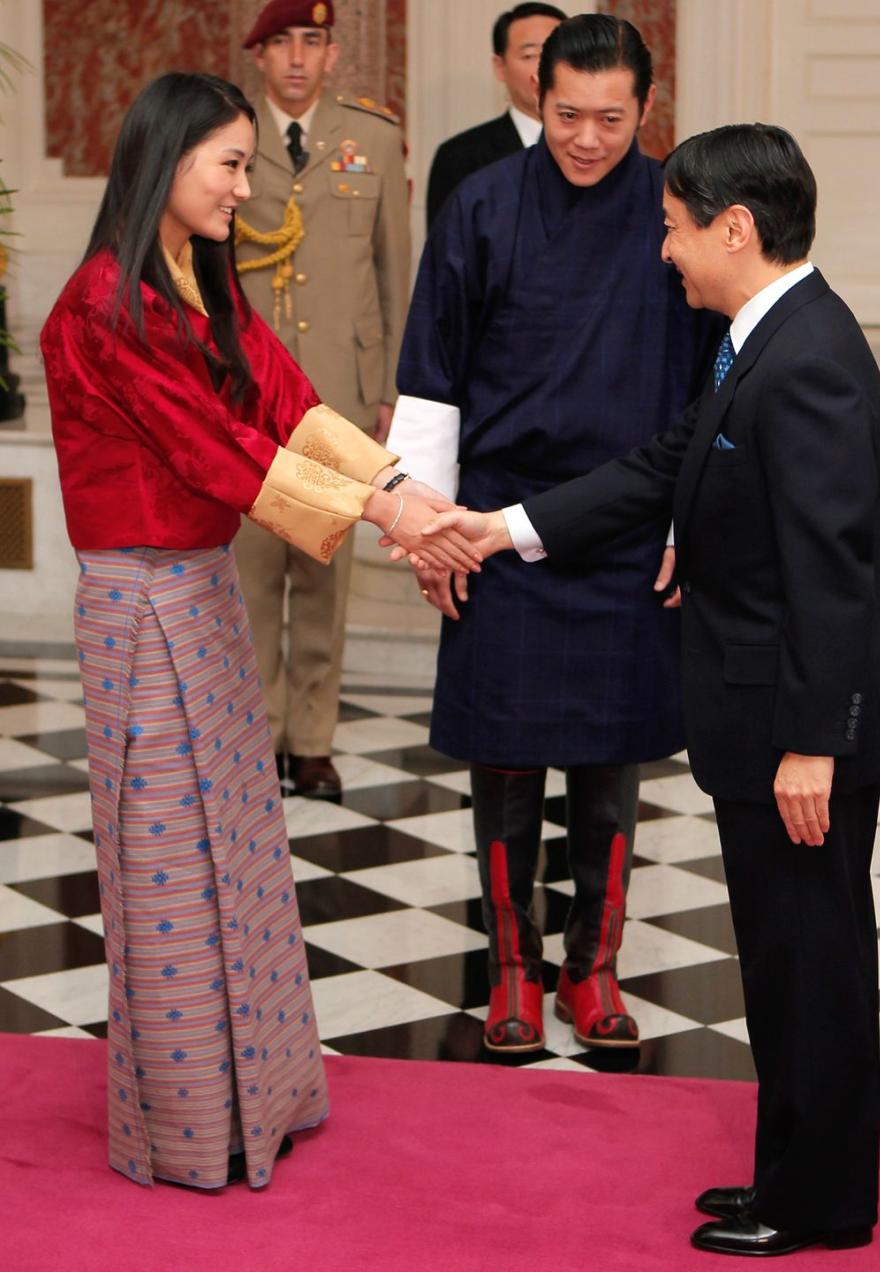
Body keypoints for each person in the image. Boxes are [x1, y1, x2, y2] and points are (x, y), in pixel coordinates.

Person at [418, 124, 880, 1257]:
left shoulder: (810, 360)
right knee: (783, 964)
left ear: (734, 228)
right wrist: (500, 528)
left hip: (801, 729)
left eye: (675, 226)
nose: (665, 251)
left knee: (816, 968)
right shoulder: (766, 337)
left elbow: (835, 574)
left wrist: (812, 744)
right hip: (766, 716)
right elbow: (668, 464)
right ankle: (787, 1177)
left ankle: (824, 1205)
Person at [39, 71, 475, 1191]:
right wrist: (386, 514)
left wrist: (398, 487)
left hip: (202, 597)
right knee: (170, 866)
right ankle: (189, 1128)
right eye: (229, 164)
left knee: (237, 851)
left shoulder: (200, 275)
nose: (248, 184)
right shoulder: (100, 305)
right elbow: (211, 451)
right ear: (164, 163)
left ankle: (258, 1097)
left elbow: (284, 397)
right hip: (140, 607)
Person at [388, 14, 721, 1056]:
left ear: (645, 109)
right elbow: (430, 375)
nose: (584, 136)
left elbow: (715, 380)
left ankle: (594, 965)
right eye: (565, 112)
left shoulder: (681, 215)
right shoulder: (482, 205)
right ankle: (513, 972)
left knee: (612, 763)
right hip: (492, 525)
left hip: (627, 521)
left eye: (609, 119)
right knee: (503, 760)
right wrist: (431, 533)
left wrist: (688, 518)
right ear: (536, 93)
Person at [233, 0, 412, 800]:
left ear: (333, 54)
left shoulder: (370, 138)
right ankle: (256, 733)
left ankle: (311, 739)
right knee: (250, 572)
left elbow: (391, 274)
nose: (298, 58)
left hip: (334, 399)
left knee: (319, 574)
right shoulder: (229, 139)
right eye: (282, 45)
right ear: (259, 58)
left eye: (312, 41)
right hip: (247, 398)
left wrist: (389, 390)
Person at [425, 3, 566, 229]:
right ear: (500, 67)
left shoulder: (602, 146)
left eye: (558, 53)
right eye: (530, 55)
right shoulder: (460, 158)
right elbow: (447, 256)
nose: (545, 67)